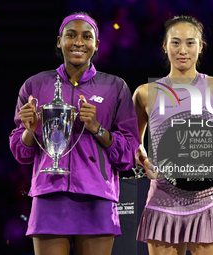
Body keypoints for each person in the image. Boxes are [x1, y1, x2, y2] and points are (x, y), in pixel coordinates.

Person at [9, 12, 139, 255]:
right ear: (59, 41)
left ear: (96, 45)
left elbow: (128, 155)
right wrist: (30, 130)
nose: (78, 42)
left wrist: (98, 129)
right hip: (49, 195)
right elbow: (21, 153)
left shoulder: (115, 86)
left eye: (86, 36)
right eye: (71, 35)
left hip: (97, 197)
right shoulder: (34, 85)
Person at [133, 15, 213, 255]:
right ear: (165, 46)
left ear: (200, 46)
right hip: (163, 203)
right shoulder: (145, 93)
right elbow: (135, 143)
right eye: (175, 42)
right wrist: (145, 162)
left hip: (207, 202)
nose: (182, 50)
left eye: (190, 42)